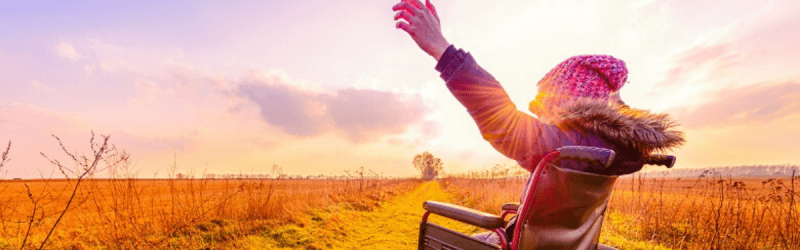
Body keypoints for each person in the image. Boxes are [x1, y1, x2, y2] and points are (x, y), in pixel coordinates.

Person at [393, 0, 685, 248]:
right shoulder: (612, 150)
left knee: (464, 234)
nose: (543, 121)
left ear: (574, 105)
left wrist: (442, 50)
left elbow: (502, 122)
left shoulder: (571, 147)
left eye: (547, 112)